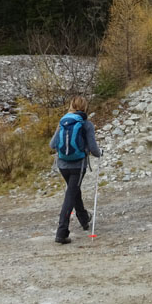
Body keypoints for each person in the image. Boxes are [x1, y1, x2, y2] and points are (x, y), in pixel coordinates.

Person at [49, 95, 101, 244]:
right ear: (85, 107)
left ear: (71, 105)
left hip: (62, 165)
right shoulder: (86, 124)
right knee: (71, 195)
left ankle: (84, 219)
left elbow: (52, 145)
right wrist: (99, 153)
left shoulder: (63, 122)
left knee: (74, 191)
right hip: (78, 166)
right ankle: (61, 232)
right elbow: (93, 149)